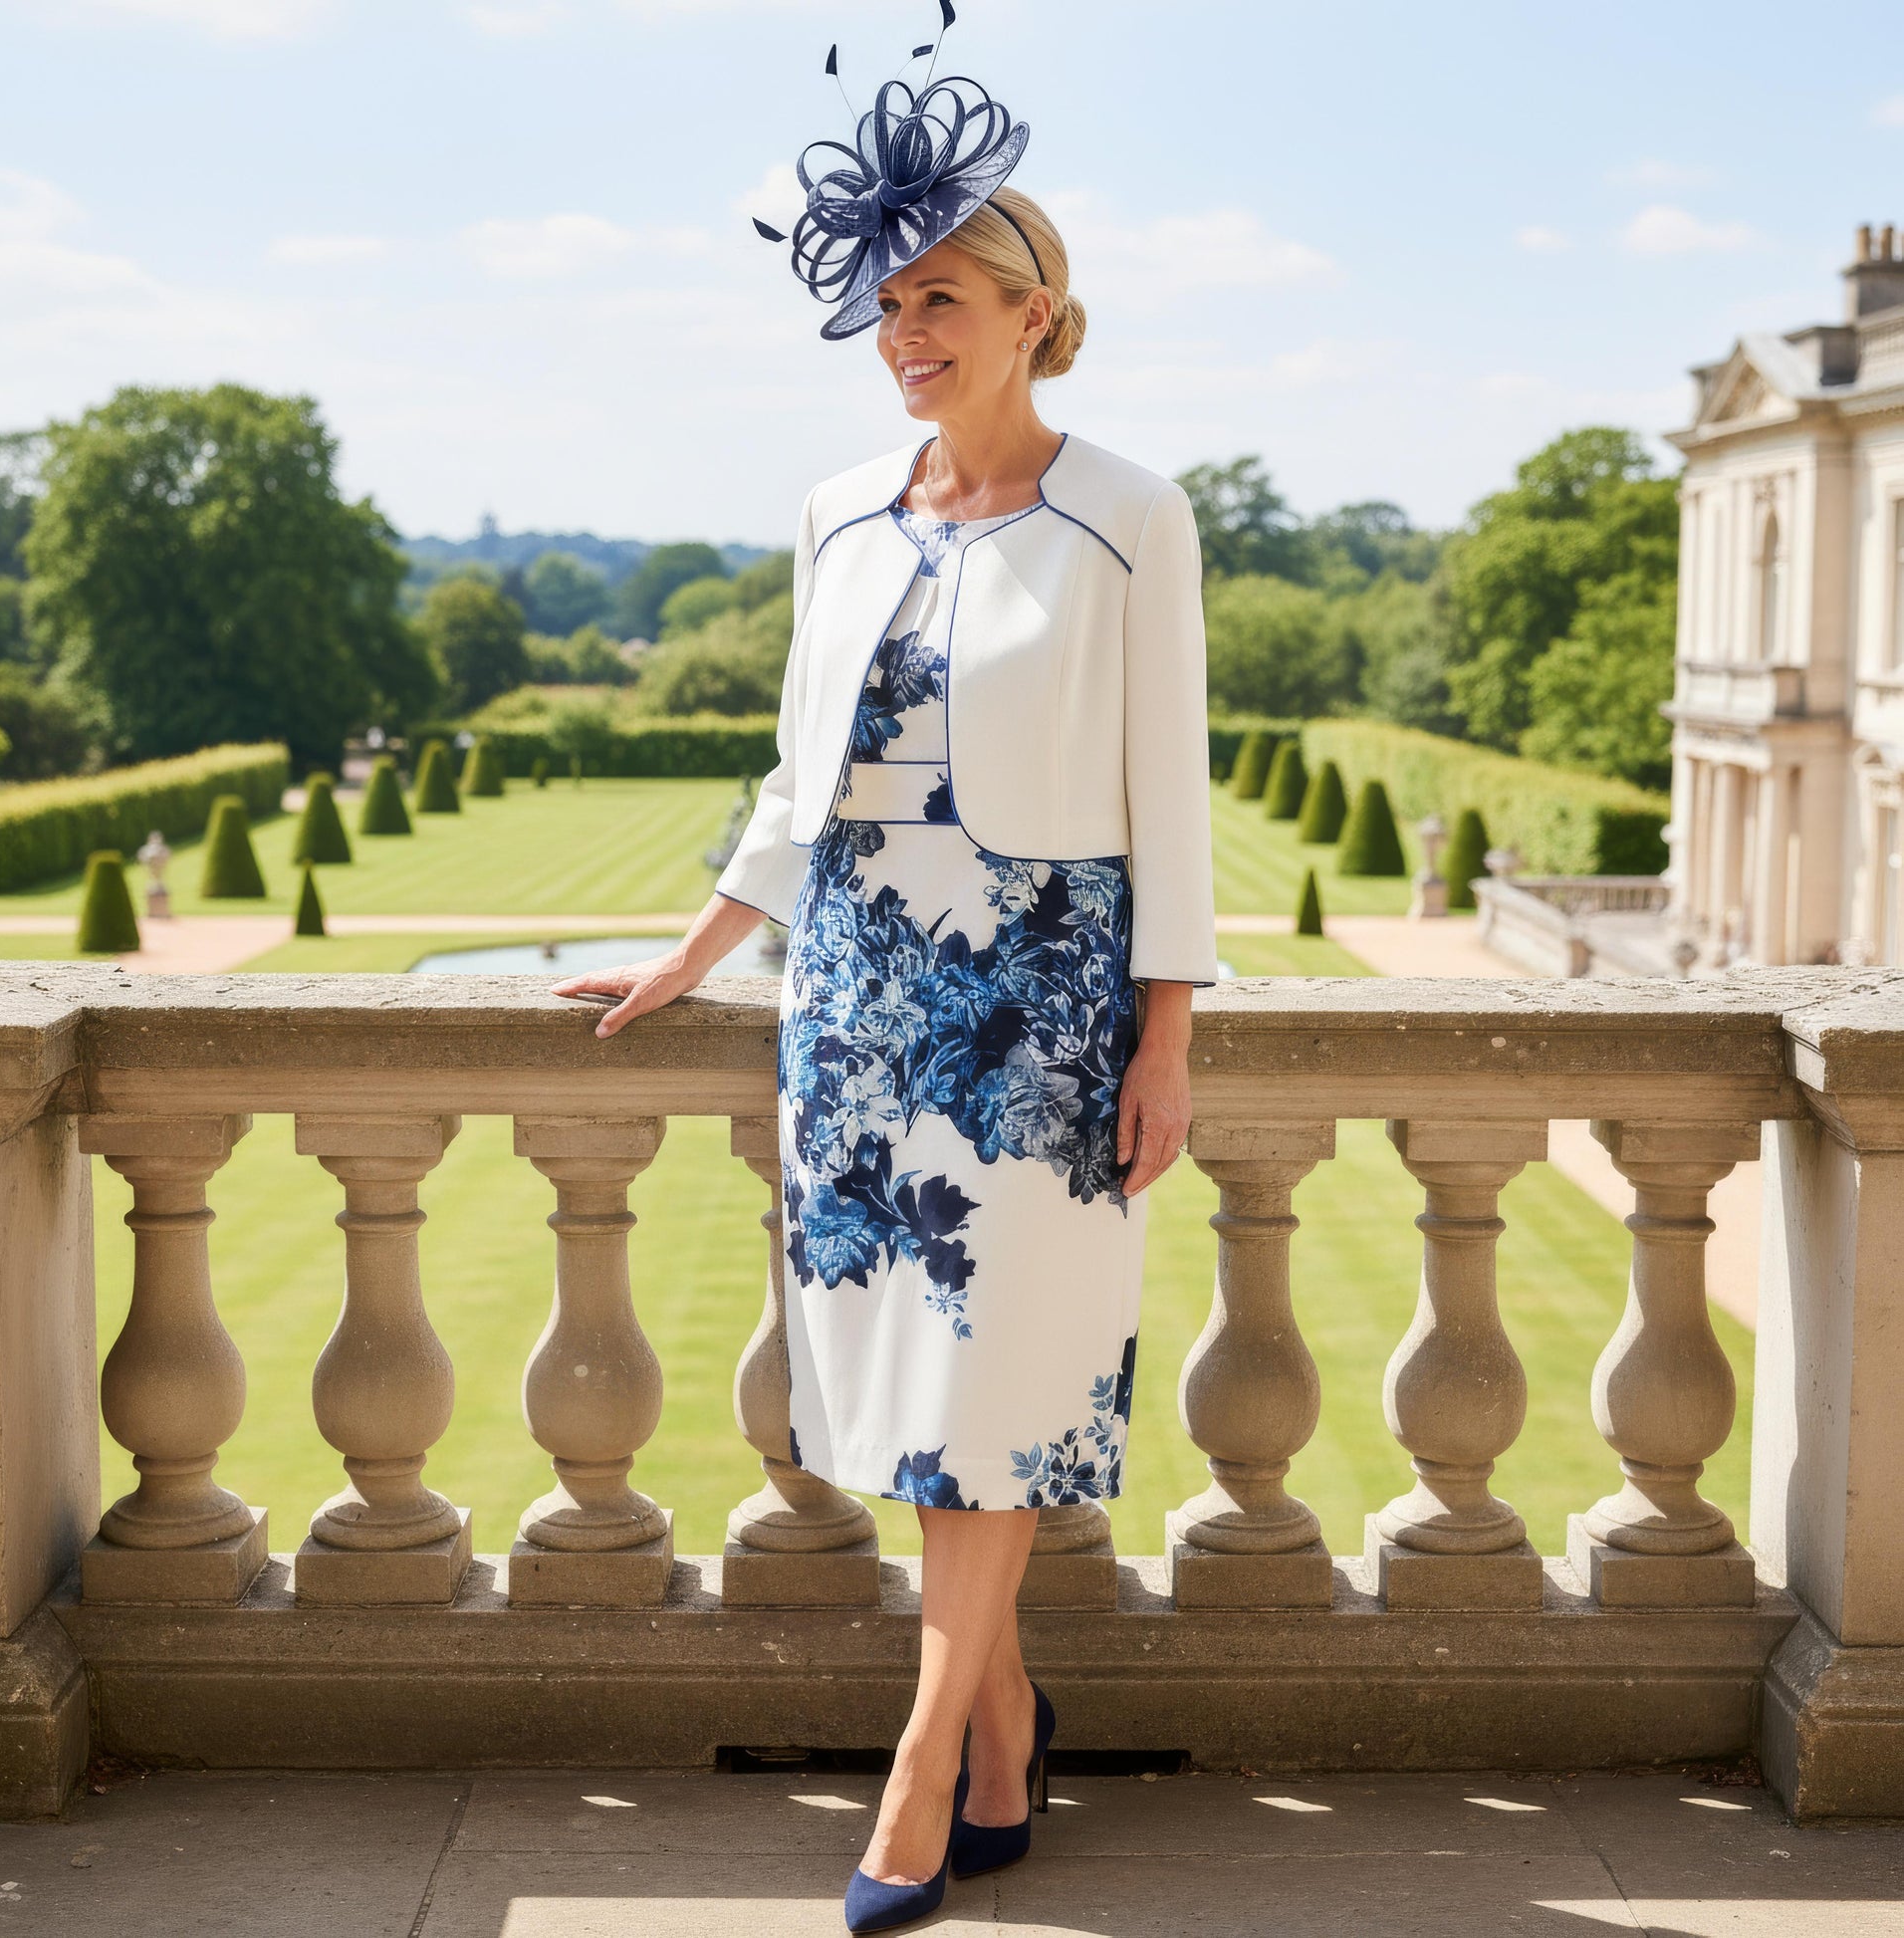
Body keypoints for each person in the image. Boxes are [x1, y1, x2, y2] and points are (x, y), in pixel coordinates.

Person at [554, 11, 1216, 1930]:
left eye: (938, 298)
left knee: (997, 1385)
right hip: (850, 995)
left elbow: (1163, 789)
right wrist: (697, 948)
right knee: (908, 1389)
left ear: (1030, 310)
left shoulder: (1129, 514)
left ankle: (922, 1768)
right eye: (882, 304)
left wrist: (1164, 1030)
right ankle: (1004, 1728)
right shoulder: (838, 514)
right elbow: (797, 774)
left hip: (1043, 999)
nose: (903, 333)